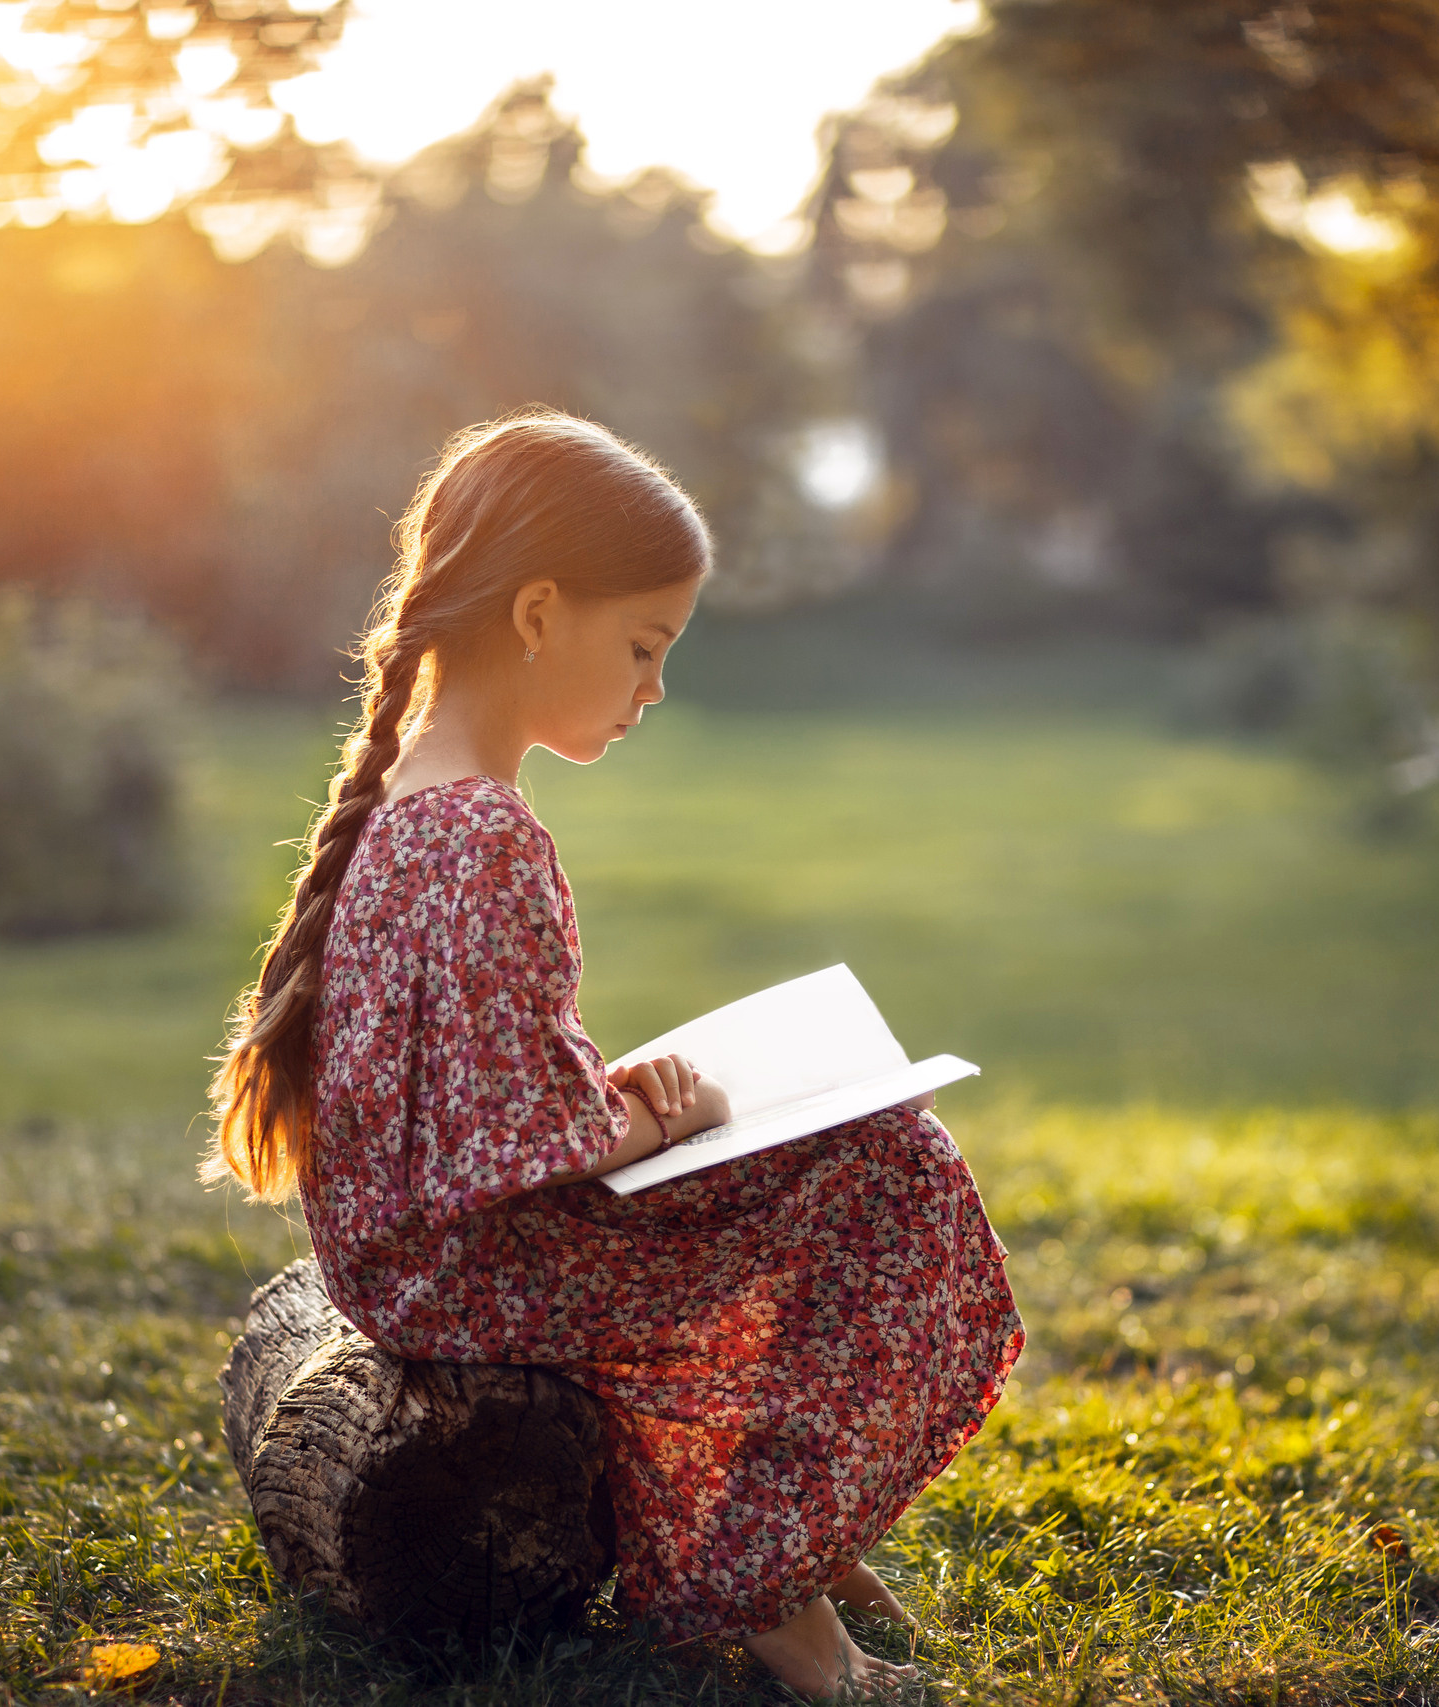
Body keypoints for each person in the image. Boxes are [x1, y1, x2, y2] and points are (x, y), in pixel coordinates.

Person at [204, 408, 1022, 1699]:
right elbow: (513, 1140)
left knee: (849, 1155)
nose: (652, 690)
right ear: (538, 613)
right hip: (468, 1268)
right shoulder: (486, 836)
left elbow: (480, 1087)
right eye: (643, 648)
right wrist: (652, 1126)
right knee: (891, 1171)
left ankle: (796, 1526)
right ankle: (769, 1586)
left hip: (416, 1253)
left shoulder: (420, 799)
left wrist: (625, 1104)